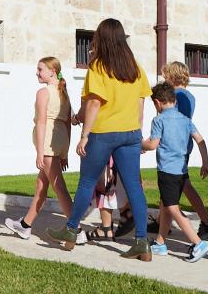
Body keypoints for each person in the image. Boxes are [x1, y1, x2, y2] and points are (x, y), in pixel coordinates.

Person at [48, 18, 153, 261]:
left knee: (87, 182)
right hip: (130, 133)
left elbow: (94, 102)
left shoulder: (98, 67)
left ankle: (71, 229)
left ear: (101, 38)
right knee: (134, 187)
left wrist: (84, 135)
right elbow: (140, 103)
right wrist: (136, 132)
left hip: (104, 132)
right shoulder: (135, 68)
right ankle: (142, 241)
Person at [5, 57, 76, 240]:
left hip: (48, 143)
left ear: (52, 71)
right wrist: (65, 152)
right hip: (59, 142)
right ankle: (25, 225)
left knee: (58, 186)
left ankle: (77, 230)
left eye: (40, 69)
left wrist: (39, 152)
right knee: (41, 185)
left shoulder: (43, 92)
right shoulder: (64, 93)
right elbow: (68, 124)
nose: (37, 72)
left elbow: (42, 121)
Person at [140, 82, 208, 262]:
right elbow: (200, 140)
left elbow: (153, 143)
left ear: (157, 103)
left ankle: (198, 244)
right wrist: (205, 163)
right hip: (181, 170)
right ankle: (160, 243)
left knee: (172, 208)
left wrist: (138, 144)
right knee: (166, 204)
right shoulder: (185, 120)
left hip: (166, 171)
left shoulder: (158, 120)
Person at [161, 61, 208, 239]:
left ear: (172, 76)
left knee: (172, 187)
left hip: (176, 148)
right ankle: (206, 222)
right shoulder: (189, 95)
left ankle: (207, 223)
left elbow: (175, 120)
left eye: (166, 77)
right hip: (182, 146)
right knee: (181, 186)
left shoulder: (177, 96)